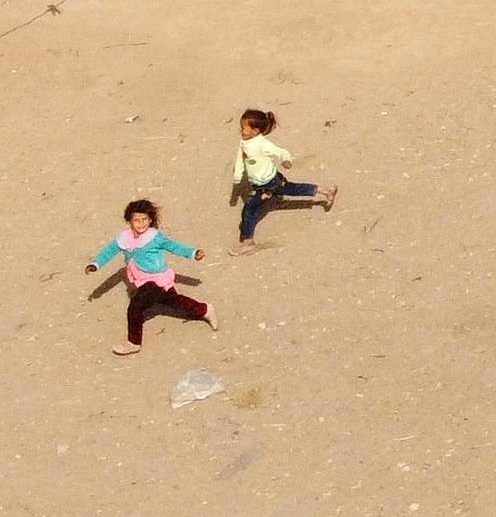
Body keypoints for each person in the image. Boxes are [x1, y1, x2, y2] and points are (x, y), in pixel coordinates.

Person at [88, 198, 209, 355]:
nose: (141, 223)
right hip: (141, 280)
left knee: (135, 307)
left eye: (144, 219)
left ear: (150, 220)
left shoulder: (155, 237)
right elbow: (108, 251)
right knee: (174, 301)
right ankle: (204, 309)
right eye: (136, 220)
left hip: (156, 280)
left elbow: (174, 246)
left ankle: (133, 342)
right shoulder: (124, 238)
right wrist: (95, 264)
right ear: (129, 221)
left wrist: (193, 253)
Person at [230, 108, 334, 251]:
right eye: (241, 127)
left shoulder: (262, 144)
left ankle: (247, 241)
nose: (241, 130)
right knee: (291, 189)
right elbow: (241, 157)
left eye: (244, 128)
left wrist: (286, 160)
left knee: (249, 211)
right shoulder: (244, 142)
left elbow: (281, 152)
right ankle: (325, 190)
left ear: (256, 131)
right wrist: (237, 175)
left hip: (266, 184)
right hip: (269, 180)